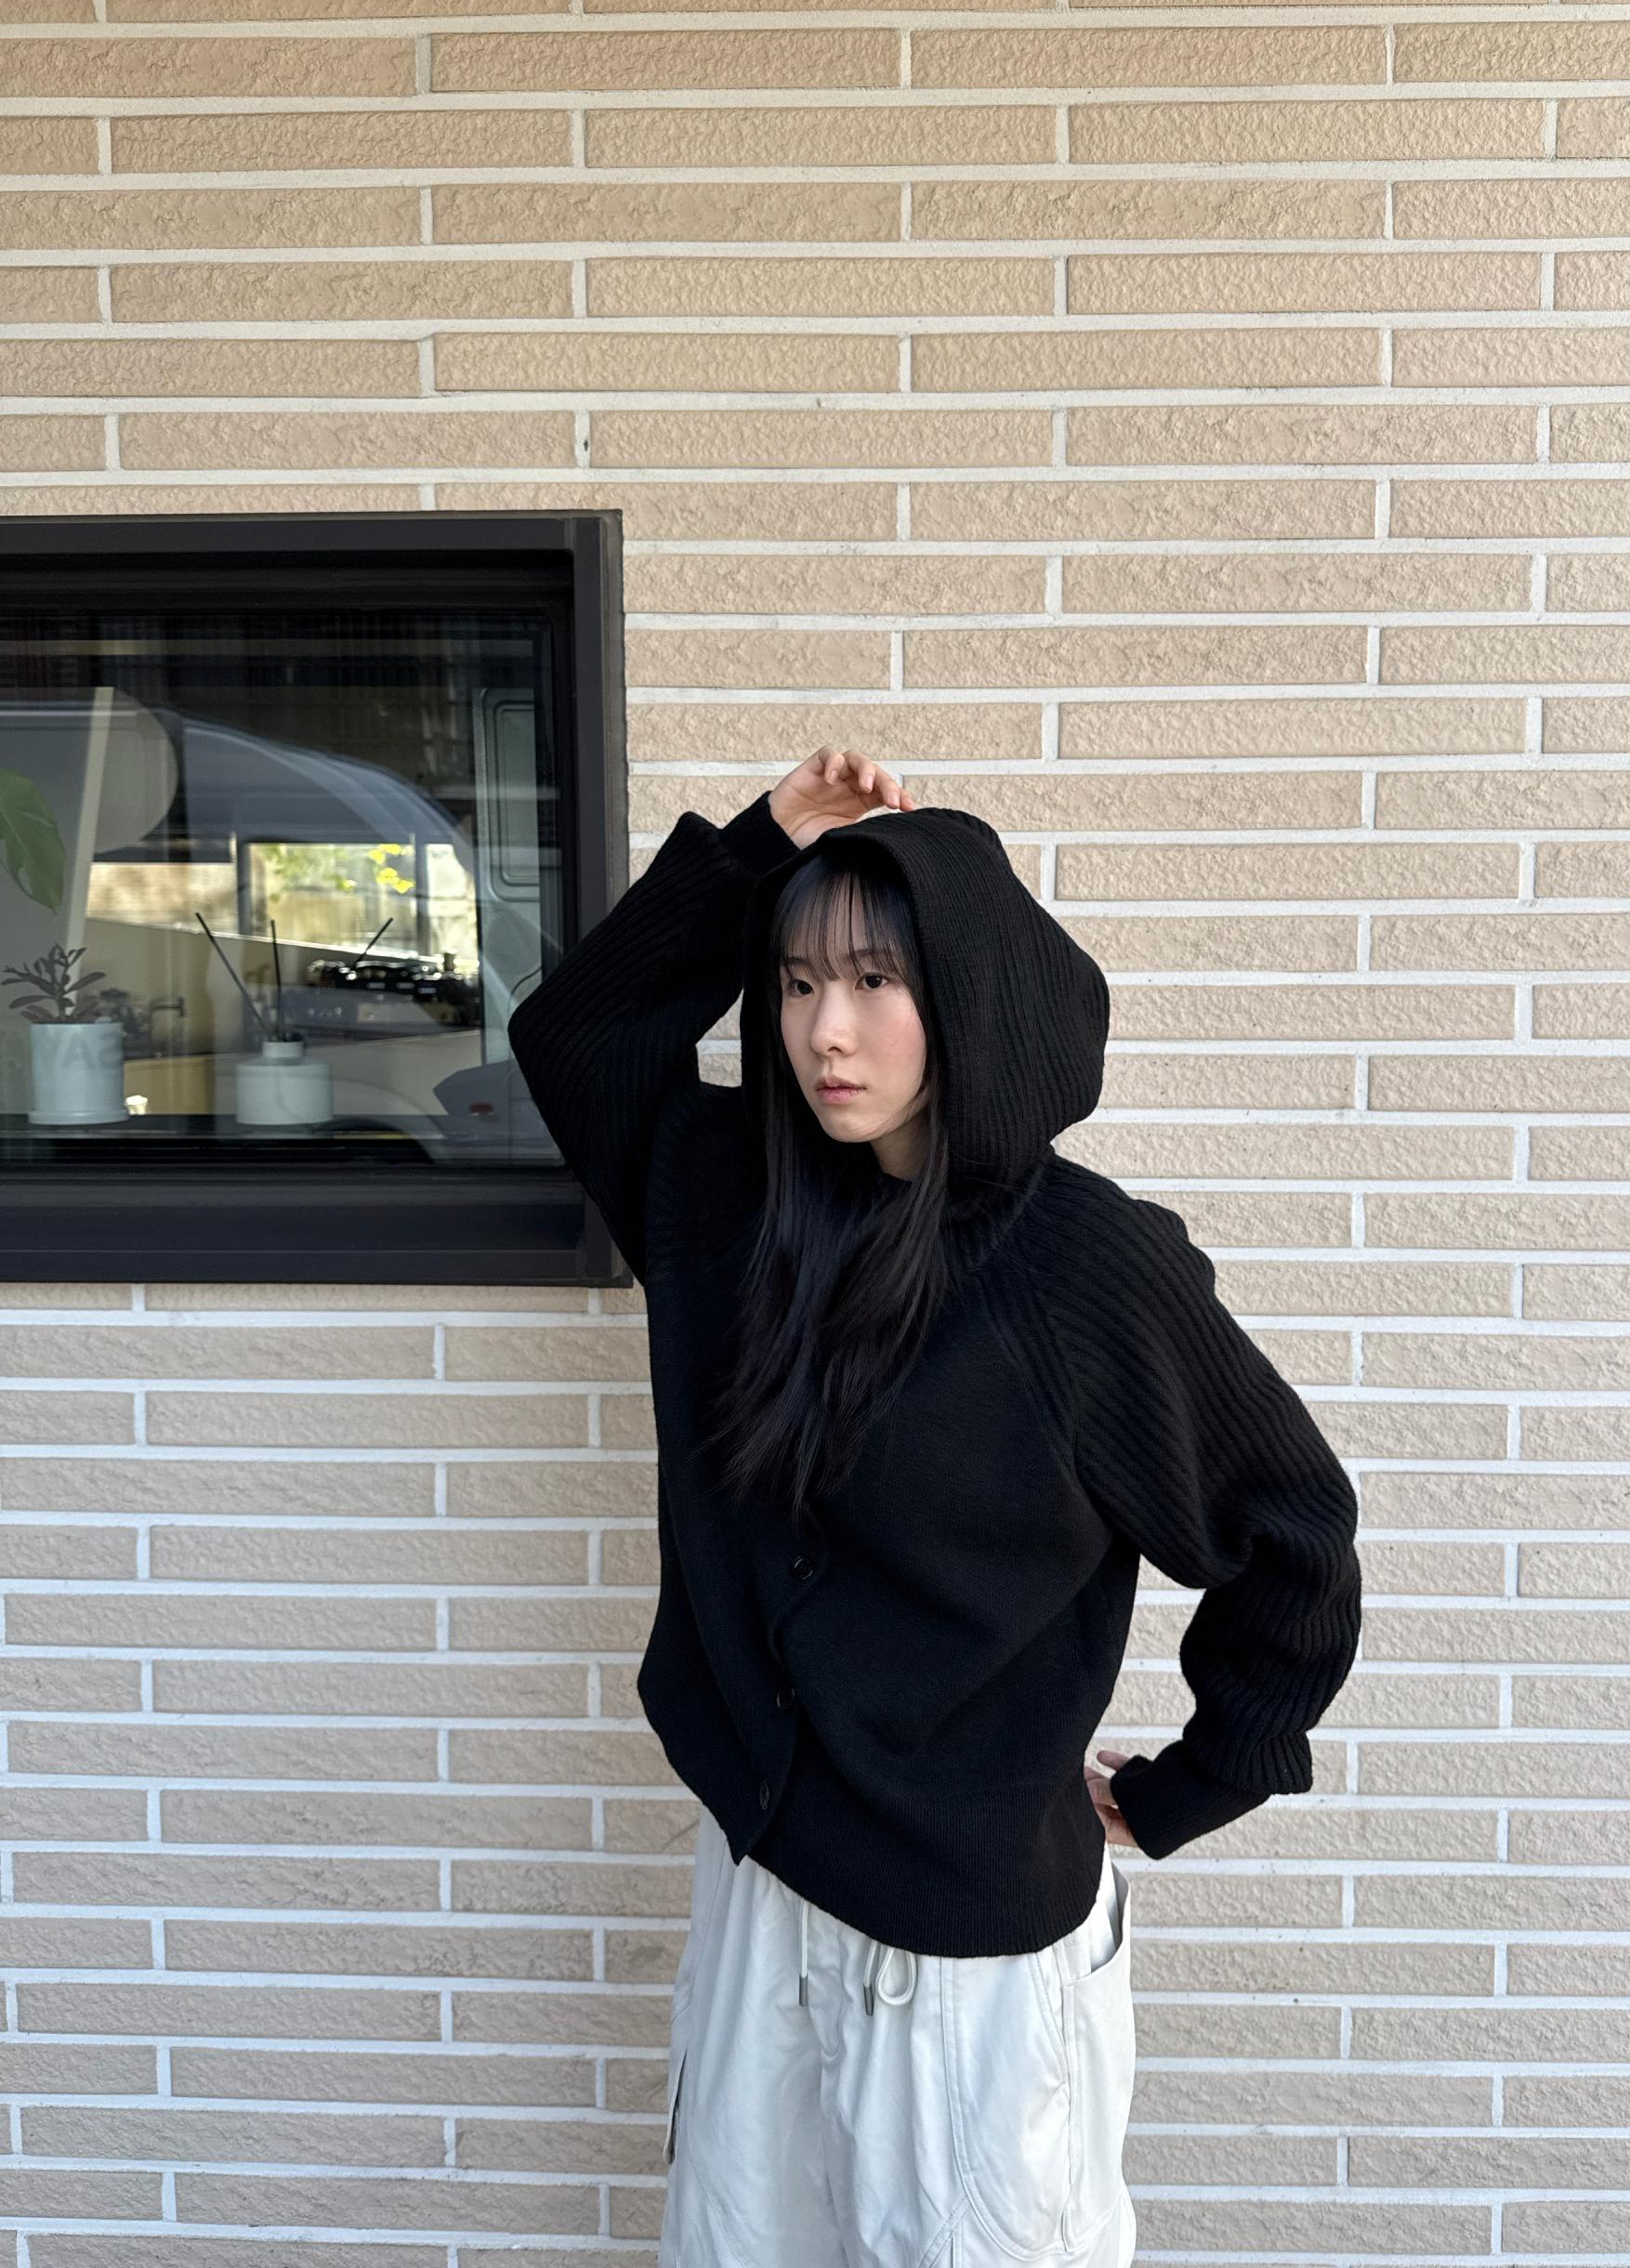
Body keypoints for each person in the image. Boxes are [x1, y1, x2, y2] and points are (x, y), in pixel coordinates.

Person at [506, 746, 1362, 2268]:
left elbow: (1293, 1536)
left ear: (963, 992)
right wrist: (762, 843)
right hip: (766, 1889)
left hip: (969, 1965)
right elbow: (577, 1034)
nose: (824, 1032)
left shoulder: (1082, 1272)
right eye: (793, 984)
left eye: (873, 982)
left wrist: (1194, 1783)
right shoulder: (729, 1196)